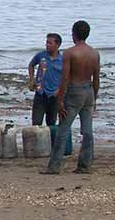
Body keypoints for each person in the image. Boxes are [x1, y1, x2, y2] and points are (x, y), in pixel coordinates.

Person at [43, 20, 100, 175]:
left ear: (74, 34)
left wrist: (60, 100)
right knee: (87, 130)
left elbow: (65, 78)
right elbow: (96, 79)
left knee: (63, 129)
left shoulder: (70, 53)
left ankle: (55, 166)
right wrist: (94, 98)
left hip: (74, 90)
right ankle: (85, 165)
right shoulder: (94, 53)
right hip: (88, 90)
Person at [28, 33, 63, 126]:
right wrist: (31, 79)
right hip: (40, 93)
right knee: (36, 124)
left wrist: (60, 90)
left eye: (50, 43)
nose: (47, 45)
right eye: (46, 42)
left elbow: (66, 78)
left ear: (57, 45)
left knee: (51, 124)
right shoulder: (41, 55)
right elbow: (31, 65)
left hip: (54, 96)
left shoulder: (62, 60)